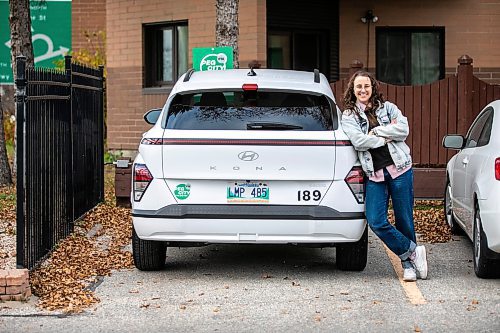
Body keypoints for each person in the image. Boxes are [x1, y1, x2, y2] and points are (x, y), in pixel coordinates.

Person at [340, 71, 428, 281]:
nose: (363, 90)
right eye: (359, 87)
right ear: (353, 89)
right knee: (376, 220)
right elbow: (359, 141)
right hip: (374, 175)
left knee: (404, 219)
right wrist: (385, 136)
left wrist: (376, 132)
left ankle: (408, 265)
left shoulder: (388, 108)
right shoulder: (349, 116)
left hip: (400, 170)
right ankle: (413, 251)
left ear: (373, 88)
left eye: (366, 86)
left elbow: (403, 129)